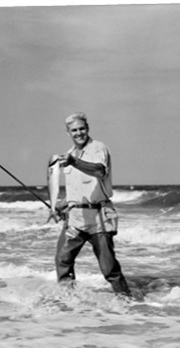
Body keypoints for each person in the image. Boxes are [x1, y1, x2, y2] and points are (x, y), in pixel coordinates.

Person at [49, 112, 132, 298]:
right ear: (68, 132)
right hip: (75, 219)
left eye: (82, 129)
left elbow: (99, 171)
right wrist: (59, 205)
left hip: (99, 217)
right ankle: (69, 299)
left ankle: (127, 301)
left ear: (87, 129)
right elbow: (75, 192)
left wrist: (75, 162)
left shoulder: (98, 148)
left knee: (108, 267)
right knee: (62, 260)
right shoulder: (68, 156)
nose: (79, 133)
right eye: (74, 130)